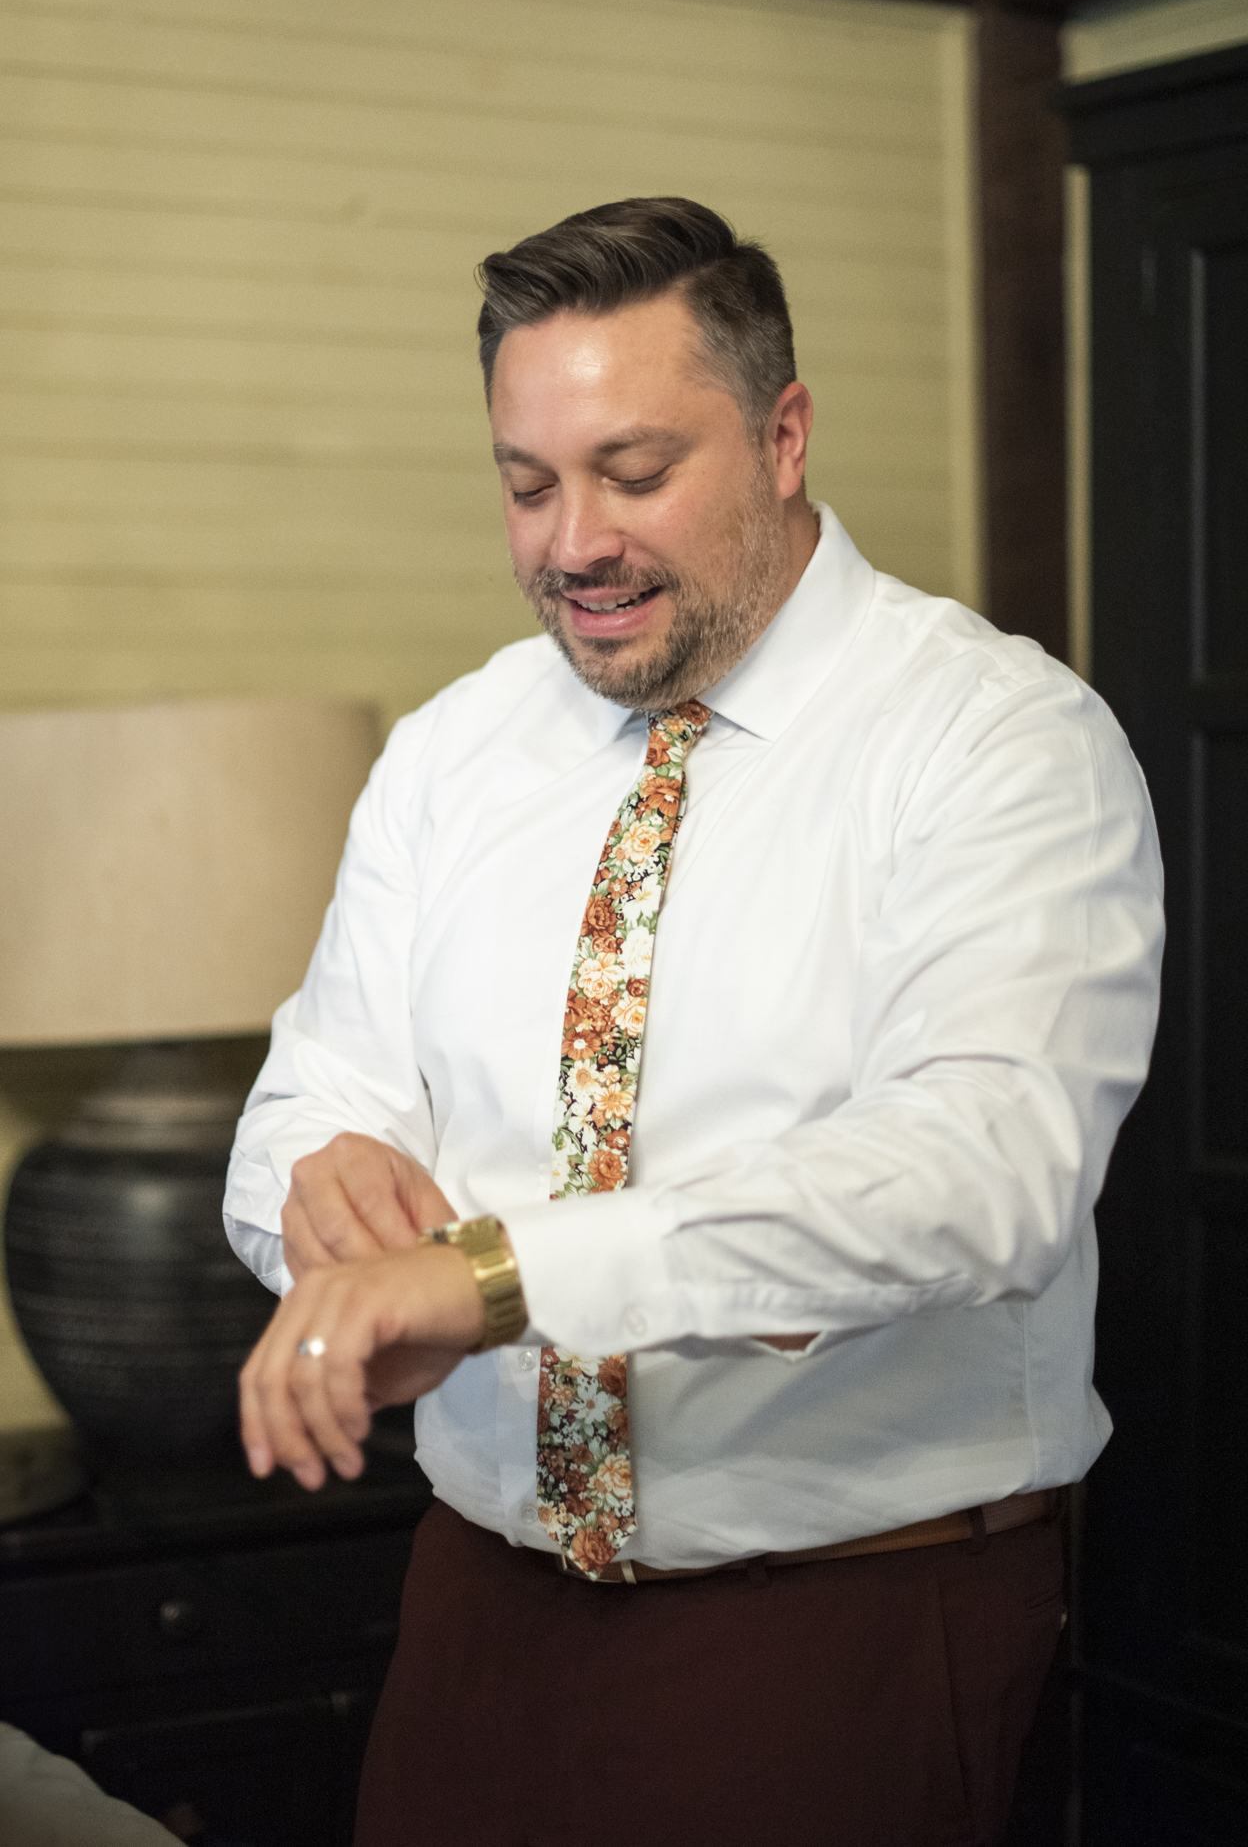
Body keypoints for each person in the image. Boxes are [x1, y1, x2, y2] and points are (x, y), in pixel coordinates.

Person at [226, 197, 1163, 1847]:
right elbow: (309, 1092)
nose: (571, 541)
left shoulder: (998, 738)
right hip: (475, 1600)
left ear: (785, 434)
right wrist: (317, 1186)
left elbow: (981, 1170)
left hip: (843, 1619)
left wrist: (501, 1279)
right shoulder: (452, 755)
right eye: (528, 483)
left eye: (636, 473)